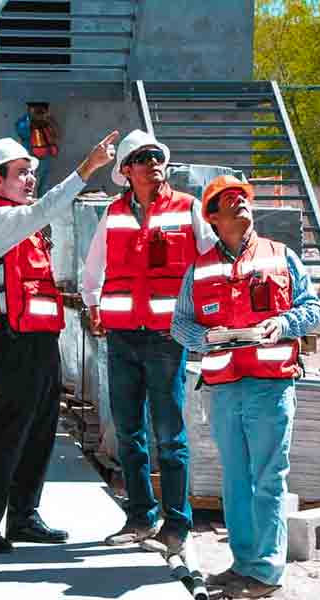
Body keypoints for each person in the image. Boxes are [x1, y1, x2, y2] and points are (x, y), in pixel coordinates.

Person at [171, 175, 320, 599]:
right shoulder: (199, 269)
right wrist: (203, 338)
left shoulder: (281, 257)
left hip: (269, 386)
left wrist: (284, 323)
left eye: (243, 198)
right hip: (222, 387)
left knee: (269, 478)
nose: (240, 203)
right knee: (236, 480)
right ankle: (243, 565)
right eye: (229, 200)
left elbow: (313, 309)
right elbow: (180, 322)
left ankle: (267, 572)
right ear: (213, 218)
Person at [0, 131, 119, 552]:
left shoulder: (26, 228)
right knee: (8, 431)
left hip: (38, 342)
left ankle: (23, 516)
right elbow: (45, 209)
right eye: (20, 173)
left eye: (32, 173)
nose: (29, 179)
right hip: (11, 344)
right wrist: (85, 168)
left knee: (41, 431)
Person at [80, 129, 218, 553]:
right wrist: (92, 307)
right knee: (128, 430)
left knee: (169, 433)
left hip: (165, 338)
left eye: (157, 156)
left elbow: (212, 262)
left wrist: (203, 321)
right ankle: (141, 516)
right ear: (125, 170)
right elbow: (93, 268)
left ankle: (177, 524)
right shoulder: (114, 214)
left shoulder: (187, 209)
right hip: (121, 336)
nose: (153, 163)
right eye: (142, 158)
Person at [15, 102, 60, 197]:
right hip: (31, 158)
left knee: (44, 184)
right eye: (37, 110)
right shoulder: (24, 122)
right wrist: (30, 120)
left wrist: (48, 119)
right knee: (29, 183)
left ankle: (42, 202)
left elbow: (56, 134)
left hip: (45, 159)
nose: (39, 113)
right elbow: (22, 132)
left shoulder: (48, 123)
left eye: (42, 111)